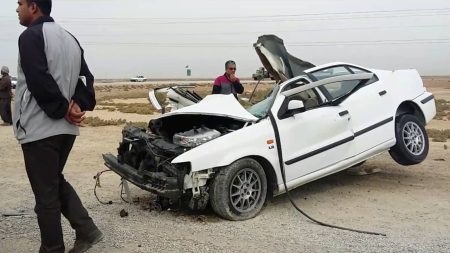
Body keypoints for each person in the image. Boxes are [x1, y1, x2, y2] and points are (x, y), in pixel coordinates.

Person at [14, 1, 101, 252]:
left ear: (33, 7)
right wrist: (77, 104)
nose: (16, 9)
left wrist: (64, 108)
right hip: (66, 129)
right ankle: (87, 230)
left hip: (40, 128)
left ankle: (52, 248)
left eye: (20, 3)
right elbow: (86, 79)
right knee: (52, 181)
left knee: (45, 195)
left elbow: (39, 78)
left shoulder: (30, 36)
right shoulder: (69, 38)